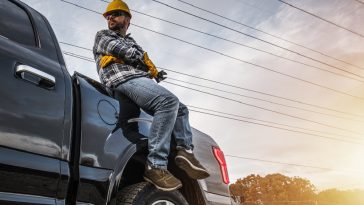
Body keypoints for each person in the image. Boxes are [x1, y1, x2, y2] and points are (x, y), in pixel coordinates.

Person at [93, 0, 209, 191]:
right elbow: (123, 51)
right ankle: (156, 165)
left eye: (115, 14)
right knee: (167, 101)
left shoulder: (132, 41)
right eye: (108, 16)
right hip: (121, 78)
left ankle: (185, 151)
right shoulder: (103, 35)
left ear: (127, 19)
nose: (110, 18)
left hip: (137, 78)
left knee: (180, 109)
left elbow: (142, 59)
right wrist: (143, 62)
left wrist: (154, 72)